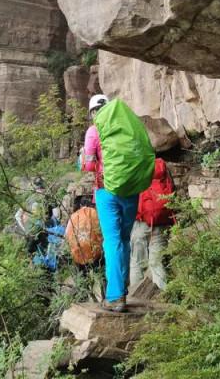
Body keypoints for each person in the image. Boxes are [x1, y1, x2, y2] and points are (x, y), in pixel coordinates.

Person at [81, 93, 155, 313]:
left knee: (112, 242)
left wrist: (83, 159)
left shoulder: (94, 131)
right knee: (124, 239)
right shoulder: (126, 128)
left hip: (107, 192)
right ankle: (122, 288)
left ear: (94, 112)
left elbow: (88, 165)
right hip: (131, 192)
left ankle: (115, 296)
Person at [129, 157, 175, 292]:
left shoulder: (134, 165)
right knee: (157, 262)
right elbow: (172, 190)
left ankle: (134, 298)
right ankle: (162, 298)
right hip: (162, 219)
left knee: (137, 263)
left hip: (141, 220)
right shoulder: (161, 166)